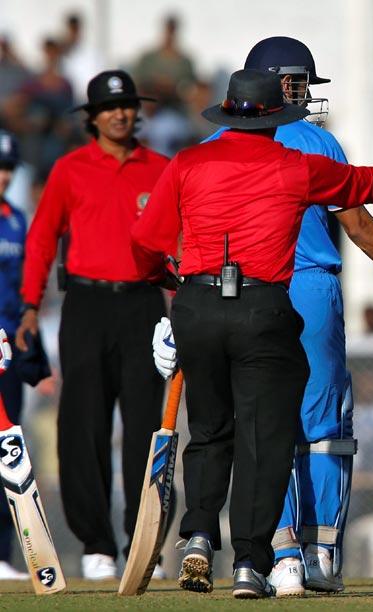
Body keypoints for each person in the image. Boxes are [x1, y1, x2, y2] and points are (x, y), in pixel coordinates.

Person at [131, 68, 373, 599]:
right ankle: (253, 564)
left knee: (210, 432)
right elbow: (369, 185)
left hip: (197, 305)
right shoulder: (295, 166)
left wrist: (174, 302)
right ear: (277, 117)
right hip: (264, 307)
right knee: (267, 439)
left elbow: (146, 240)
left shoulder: (187, 161)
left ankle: (198, 536)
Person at [16, 70, 171, 580]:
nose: (120, 113)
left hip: (144, 304)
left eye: (127, 104)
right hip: (85, 304)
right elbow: (41, 240)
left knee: (148, 424)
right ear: (92, 117)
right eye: (110, 107)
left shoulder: (162, 169)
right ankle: (97, 543)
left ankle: (141, 538)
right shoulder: (70, 169)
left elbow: (184, 239)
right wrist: (30, 308)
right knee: (83, 424)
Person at [0, 130, 29, 580]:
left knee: (8, 451)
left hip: (8, 351)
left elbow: (25, 290)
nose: (2, 176)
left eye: (7, 168)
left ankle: (3, 554)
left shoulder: (18, 219)